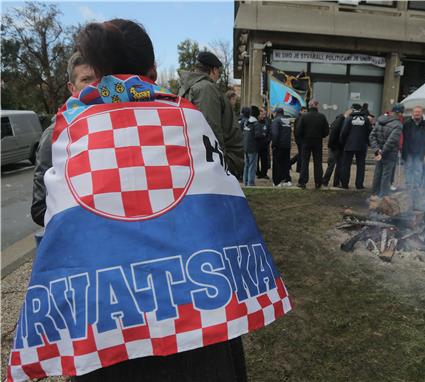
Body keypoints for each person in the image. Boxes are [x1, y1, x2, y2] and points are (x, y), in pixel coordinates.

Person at [35, 19, 262, 381]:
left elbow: (53, 220)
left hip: (106, 318)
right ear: (153, 72)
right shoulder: (187, 118)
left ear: (98, 73)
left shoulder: (67, 131)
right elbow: (223, 208)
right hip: (194, 311)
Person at [31, 51, 96, 226]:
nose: (93, 86)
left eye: (99, 79)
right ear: (71, 87)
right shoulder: (54, 133)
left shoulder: (114, 123)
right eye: (86, 79)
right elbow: (39, 207)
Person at [178, 51, 243, 177]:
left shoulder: (188, 88)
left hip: (200, 160)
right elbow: (211, 128)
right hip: (213, 163)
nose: (218, 77)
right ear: (213, 70)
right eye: (218, 72)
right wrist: (221, 163)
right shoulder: (206, 89)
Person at [295, 100, 329, 188]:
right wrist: (320, 135)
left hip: (306, 141)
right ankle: (318, 182)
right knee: (318, 162)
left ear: (309, 106)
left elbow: (298, 131)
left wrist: (303, 137)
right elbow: (326, 131)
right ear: (316, 106)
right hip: (318, 141)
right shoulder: (322, 117)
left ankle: (302, 182)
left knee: (304, 162)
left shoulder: (304, 116)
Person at [370, 113, 403, 197]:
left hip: (379, 152)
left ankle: (374, 195)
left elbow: (372, 136)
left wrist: (377, 150)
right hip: (389, 153)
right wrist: (381, 152)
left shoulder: (379, 121)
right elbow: (391, 140)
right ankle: (383, 197)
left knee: (378, 173)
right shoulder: (398, 125)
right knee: (386, 175)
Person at [340, 103, 372, 189]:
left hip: (349, 144)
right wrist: (369, 143)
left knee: (346, 165)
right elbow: (370, 132)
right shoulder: (366, 119)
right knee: (361, 165)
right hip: (362, 145)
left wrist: (343, 142)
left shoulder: (349, 119)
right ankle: (359, 184)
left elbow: (344, 132)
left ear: (352, 109)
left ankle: (344, 184)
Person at [402, 106, 425, 190]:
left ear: (422, 113)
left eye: (419, 112)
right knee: (408, 168)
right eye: (415, 112)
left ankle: (416, 186)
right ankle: (408, 186)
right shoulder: (407, 123)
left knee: (418, 169)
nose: (417, 114)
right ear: (412, 113)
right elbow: (403, 137)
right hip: (408, 150)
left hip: (421, 151)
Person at [322, 109, 351, 187]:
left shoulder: (336, 123)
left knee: (333, 165)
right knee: (337, 165)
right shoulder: (341, 122)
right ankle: (334, 182)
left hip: (334, 146)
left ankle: (326, 181)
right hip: (337, 147)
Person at [270, 108, 292, 187]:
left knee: (277, 164)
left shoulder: (276, 121)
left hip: (279, 146)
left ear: (276, 113)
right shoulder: (287, 121)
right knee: (286, 163)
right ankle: (287, 180)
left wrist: (274, 145)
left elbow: (275, 134)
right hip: (287, 145)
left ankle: (277, 182)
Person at [243, 106, 262, 187]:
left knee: (246, 165)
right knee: (252, 166)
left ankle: (246, 181)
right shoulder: (256, 123)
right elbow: (258, 136)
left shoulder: (246, 122)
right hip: (253, 147)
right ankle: (250, 183)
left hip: (245, 147)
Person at [389, 103, 405, 191]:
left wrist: (401, 144)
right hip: (391, 145)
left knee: (393, 166)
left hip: (397, 145)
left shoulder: (401, 119)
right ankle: (387, 183)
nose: (401, 114)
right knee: (389, 167)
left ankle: (390, 182)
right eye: (400, 112)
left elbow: (401, 133)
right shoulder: (389, 118)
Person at [256, 106, 271, 179]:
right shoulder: (255, 121)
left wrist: (268, 140)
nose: (263, 116)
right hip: (257, 144)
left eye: (264, 114)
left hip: (265, 144)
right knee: (256, 160)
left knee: (265, 160)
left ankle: (264, 173)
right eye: (262, 114)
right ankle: (257, 173)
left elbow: (270, 131)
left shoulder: (268, 121)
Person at [290, 106, 307, 172]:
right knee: (301, 153)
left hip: (301, 139)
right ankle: (299, 168)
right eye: (304, 111)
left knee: (301, 153)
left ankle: (290, 163)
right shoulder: (299, 118)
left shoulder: (302, 118)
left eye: (306, 111)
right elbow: (297, 130)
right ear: (300, 111)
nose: (305, 113)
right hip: (300, 139)